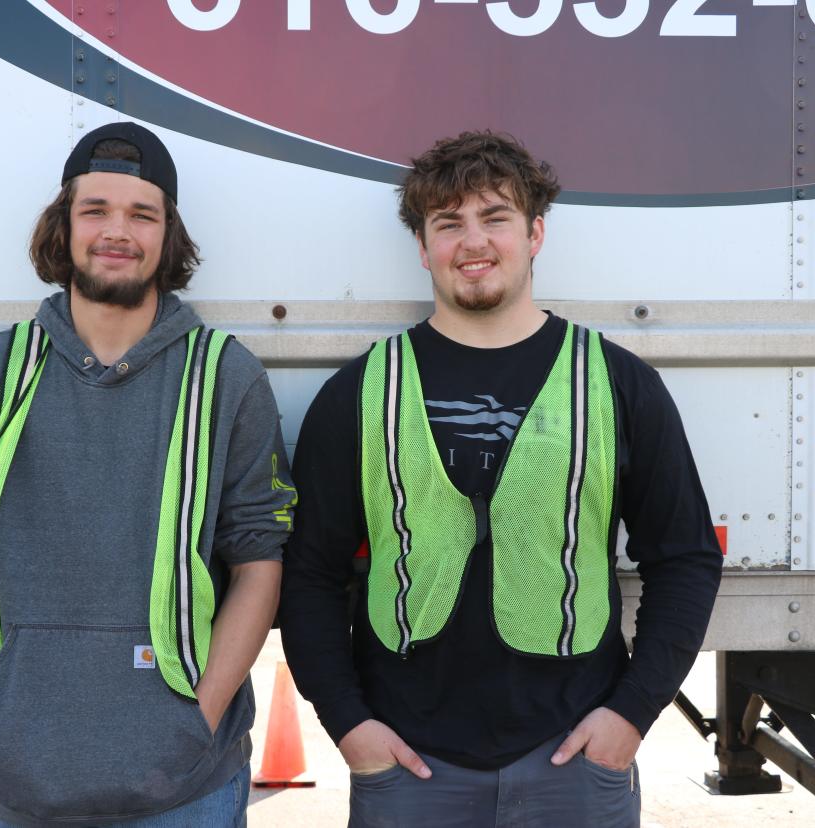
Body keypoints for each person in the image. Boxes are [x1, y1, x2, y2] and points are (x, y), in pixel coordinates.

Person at [279, 131, 723, 827]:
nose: (472, 242)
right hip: (407, 767)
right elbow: (306, 573)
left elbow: (686, 558)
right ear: (424, 248)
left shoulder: (616, 384)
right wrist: (347, 725)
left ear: (535, 233)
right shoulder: (360, 392)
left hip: (573, 763)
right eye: (448, 224)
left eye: (495, 218)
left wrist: (631, 716)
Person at [0, 121, 295, 828]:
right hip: (24, 785)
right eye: (95, 210)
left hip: (188, 789)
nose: (116, 231)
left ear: (168, 235)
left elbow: (258, 560)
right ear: (63, 226)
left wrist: (200, 718)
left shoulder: (227, 377)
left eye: (141, 214)